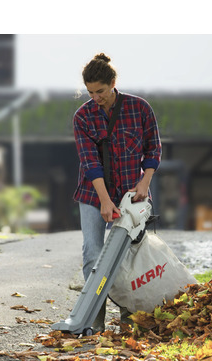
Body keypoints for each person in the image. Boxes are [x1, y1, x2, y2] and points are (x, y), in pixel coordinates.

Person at [73, 53, 162, 332]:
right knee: (93, 253)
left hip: (132, 194)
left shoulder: (139, 108)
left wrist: (145, 183)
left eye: (100, 91)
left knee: (132, 256)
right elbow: (90, 162)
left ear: (113, 83)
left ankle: (129, 317)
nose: (95, 97)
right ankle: (93, 318)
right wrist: (104, 200)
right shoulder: (83, 117)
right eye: (90, 92)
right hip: (93, 194)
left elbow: (153, 149)